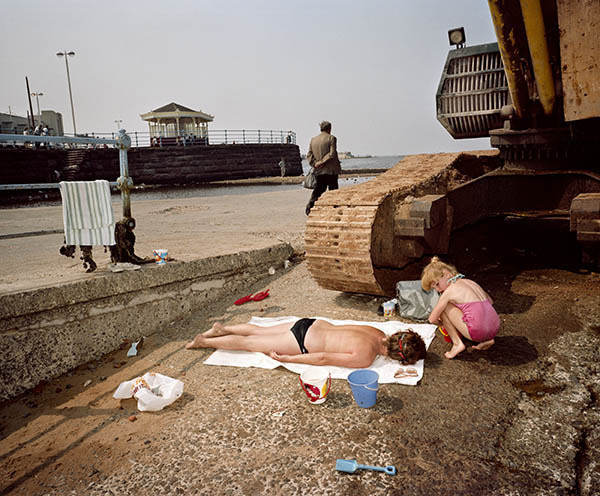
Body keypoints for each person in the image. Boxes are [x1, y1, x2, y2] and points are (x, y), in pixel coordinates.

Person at [186, 318, 426, 368]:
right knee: (251, 344)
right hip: (303, 340)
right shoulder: (366, 357)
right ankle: (203, 342)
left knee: (260, 330)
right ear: (396, 357)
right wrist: (290, 359)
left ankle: (222, 328)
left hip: (310, 323)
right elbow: (322, 358)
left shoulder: (377, 331)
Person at [421, 257, 500, 359]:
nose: (438, 289)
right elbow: (490, 301)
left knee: (444, 307)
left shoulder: (449, 291)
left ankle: (457, 344)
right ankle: (487, 339)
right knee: (474, 310)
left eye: (437, 284)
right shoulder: (470, 282)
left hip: (478, 331)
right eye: (434, 288)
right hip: (495, 326)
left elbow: (432, 319)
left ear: (447, 274)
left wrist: (442, 324)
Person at [305, 121, 342, 215]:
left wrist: (315, 164)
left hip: (319, 170)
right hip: (331, 170)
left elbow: (309, 155)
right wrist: (322, 162)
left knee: (318, 189)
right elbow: (331, 154)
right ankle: (334, 208)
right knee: (333, 190)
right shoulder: (331, 138)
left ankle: (310, 206)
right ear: (330, 128)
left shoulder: (313, 140)